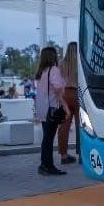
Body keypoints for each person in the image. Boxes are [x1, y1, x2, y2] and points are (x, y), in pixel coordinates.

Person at [35, 46, 72, 176]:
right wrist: (66, 108)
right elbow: (57, 91)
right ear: (53, 56)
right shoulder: (54, 70)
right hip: (51, 109)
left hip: (43, 109)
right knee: (49, 138)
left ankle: (44, 164)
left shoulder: (42, 71)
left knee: (47, 138)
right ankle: (47, 165)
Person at [57, 41, 80, 165]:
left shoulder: (61, 64)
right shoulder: (80, 64)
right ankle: (82, 154)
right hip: (77, 94)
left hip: (65, 94)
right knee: (81, 126)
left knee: (64, 126)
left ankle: (64, 155)